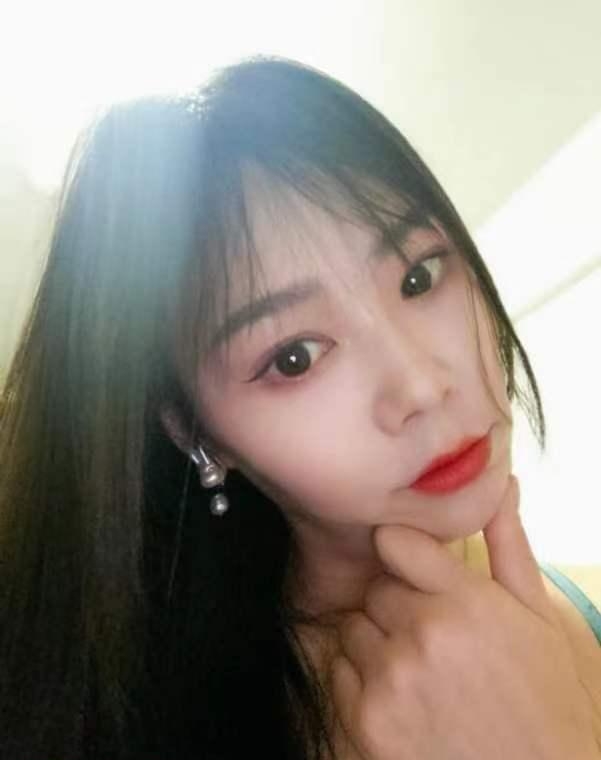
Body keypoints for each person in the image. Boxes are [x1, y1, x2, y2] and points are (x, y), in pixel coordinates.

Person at [0, 56, 599, 760]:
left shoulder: (579, 599)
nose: (421, 386)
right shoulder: (154, 726)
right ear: (196, 431)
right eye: (295, 357)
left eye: (418, 276)